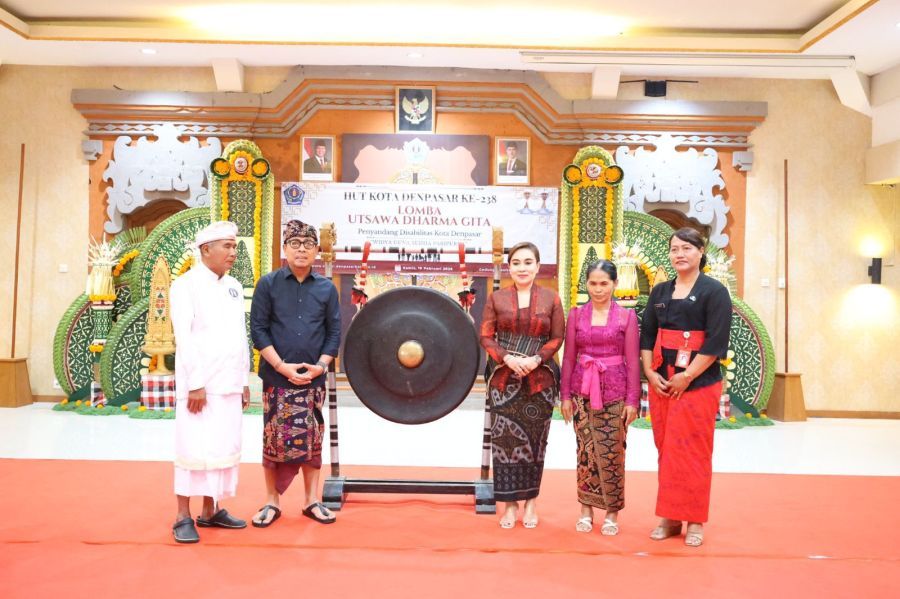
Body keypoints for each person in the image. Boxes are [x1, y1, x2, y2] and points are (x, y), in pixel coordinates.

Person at [639, 227, 732, 547]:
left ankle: (695, 521)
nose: (679, 254)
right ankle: (670, 517)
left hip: (698, 383)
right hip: (663, 383)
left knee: (693, 451)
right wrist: (649, 373)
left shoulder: (714, 291)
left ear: (701, 252)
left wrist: (688, 375)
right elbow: (647, 334)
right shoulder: (660, 291)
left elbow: (716, 342)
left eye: (687, 248)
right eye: (674, 249)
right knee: (667, 451)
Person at [250, 220, 341, 527]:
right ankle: (271, 501)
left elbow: (334, 332)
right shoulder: (268, 284)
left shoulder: (327, 288)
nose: (301, 250)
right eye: (295, 244)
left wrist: (322, 365)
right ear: (285, 249)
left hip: (313, 378)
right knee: (272, 439)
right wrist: (280, 365)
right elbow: (258, 330)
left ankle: (311, 500)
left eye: (308, 244)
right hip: (277, 377)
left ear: (316, 251)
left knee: (313, 440)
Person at [169, 220, 251, 544]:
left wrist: (243, 379)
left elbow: (239, 335)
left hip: (228, 382)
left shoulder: (233, 286)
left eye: (234, 246)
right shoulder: (185, 285)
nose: (233, 252)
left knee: (221, 447)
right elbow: (184, 337)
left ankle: (210, 510)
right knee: (193, 448)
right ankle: (182, 516)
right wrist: (195, 384)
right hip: (199, 386)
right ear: (206, 250)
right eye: (227, 246)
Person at [480, 241, 564, 529]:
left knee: (536, 443)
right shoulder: (496, 298)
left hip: (540, 379)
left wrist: (536, 359)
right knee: (504, 443)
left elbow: (557, 338)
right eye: (516, 263)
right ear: (509, 267)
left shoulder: (552, 299)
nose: (522, 268)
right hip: (504, 380)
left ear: (538, 266)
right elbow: (486, 336)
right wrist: (507, 358)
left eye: (528, 262)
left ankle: (530, 502)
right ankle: (509, 505)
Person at [560, 260, 640, 536]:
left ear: (615, 284)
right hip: (581, 391)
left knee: (613, 452)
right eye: (593, 283)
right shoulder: (576, 315)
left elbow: (633, 360)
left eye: (604, 283)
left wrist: (632, 401)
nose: (598, 289)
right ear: (586, 284)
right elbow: (568, 358)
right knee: (585, 452)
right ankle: (586, 509)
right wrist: (565, 396)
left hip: (616, 392)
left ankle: (612, 513)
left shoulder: (626, 317)